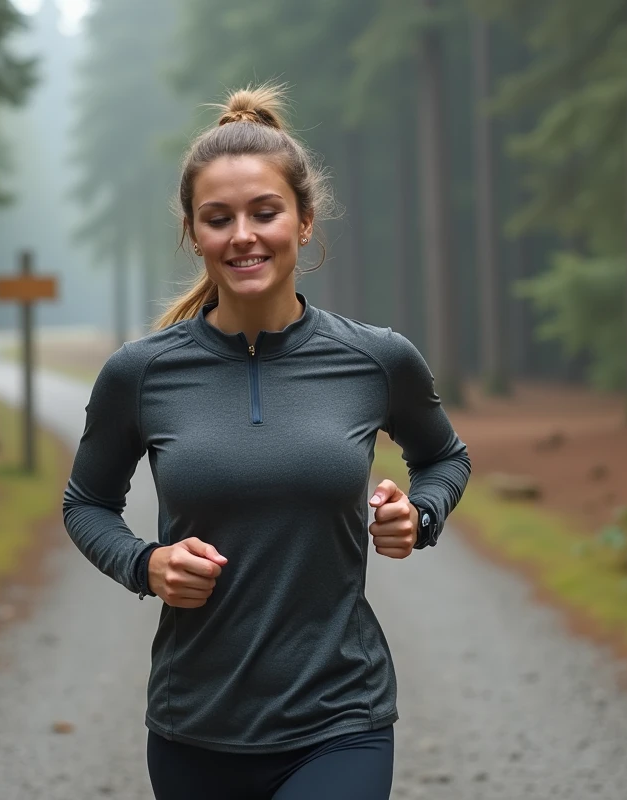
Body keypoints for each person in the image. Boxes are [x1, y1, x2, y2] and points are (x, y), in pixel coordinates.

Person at [61, 83, 471, 800]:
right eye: (218, 219)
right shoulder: (141, 373)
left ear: (304, 222)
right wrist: (145, 563)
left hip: (340, 717)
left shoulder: (375, 359)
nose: (242, 235)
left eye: (265, 212)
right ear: (194, 234)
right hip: (195, 726)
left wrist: (421, 513)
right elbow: (86, 503)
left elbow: (443, 457)